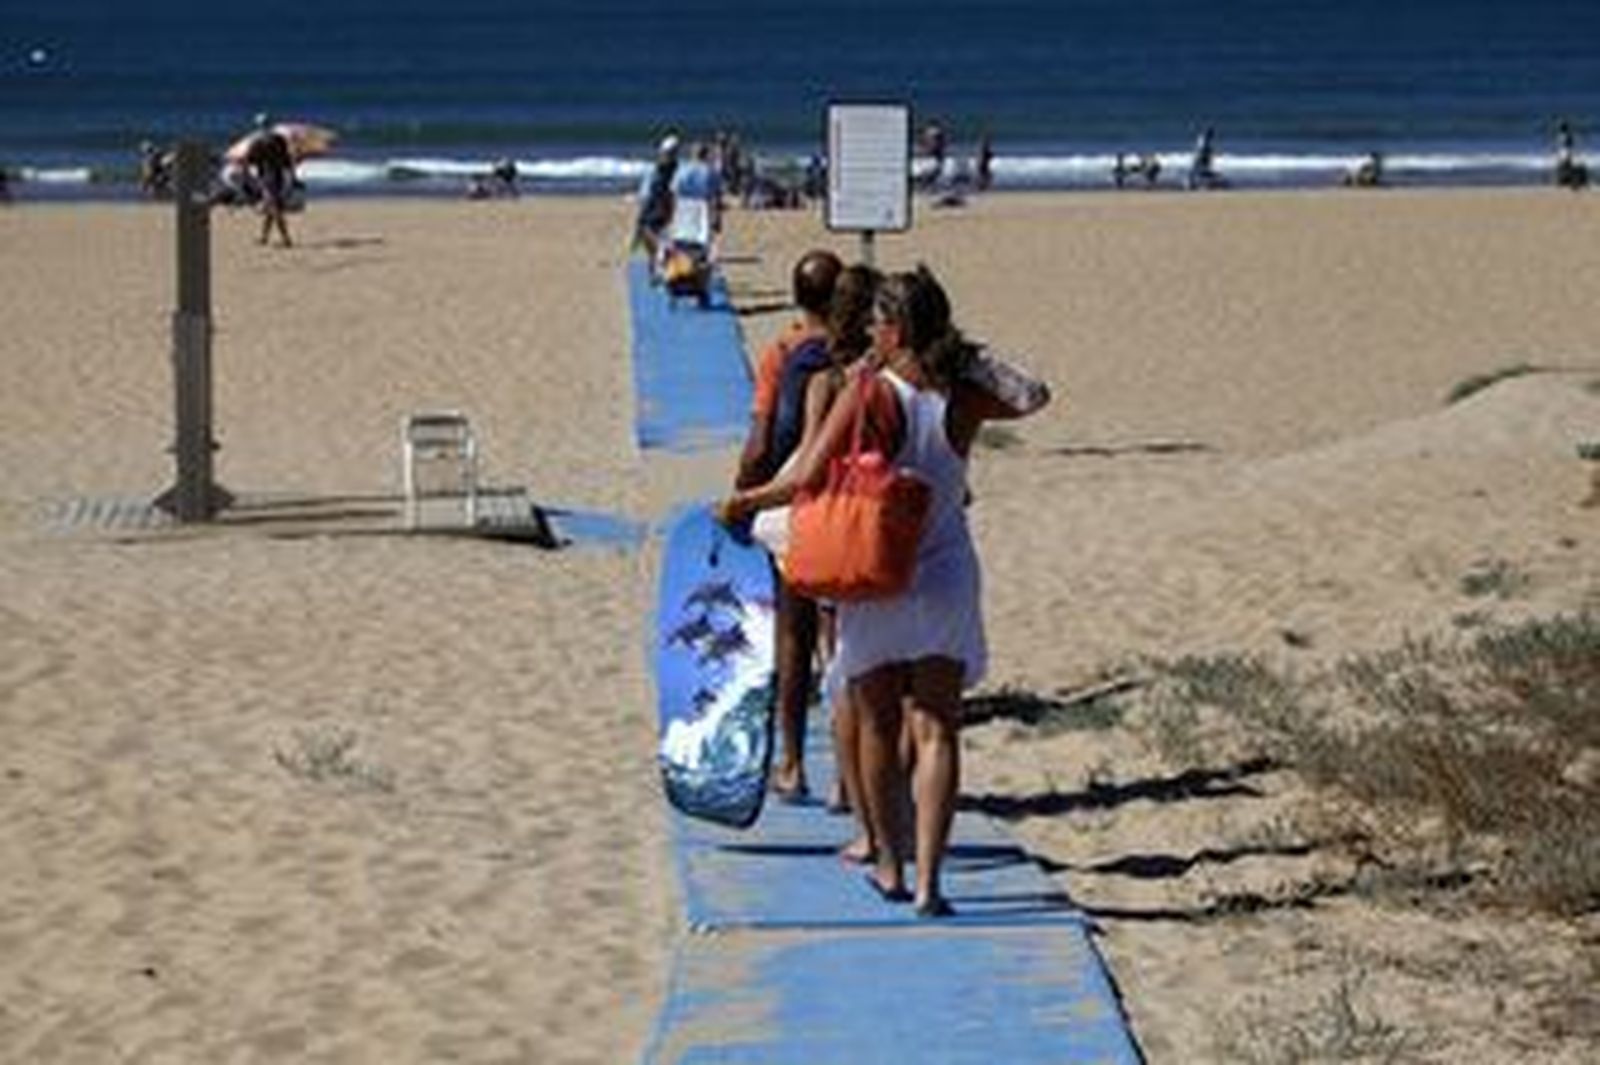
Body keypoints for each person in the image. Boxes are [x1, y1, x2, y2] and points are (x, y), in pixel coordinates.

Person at [719, 265, 1051, 917]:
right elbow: (1034, 393)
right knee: (937, 727)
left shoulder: (868, 390)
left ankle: (891, 867)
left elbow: (807, 476)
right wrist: (967, 350)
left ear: (894, 327)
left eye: (878, 319)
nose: (868, 328)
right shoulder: (964, 393)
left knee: (877, 720)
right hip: (949, 571)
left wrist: (741, 502)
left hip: (879, 573)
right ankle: (931, 883)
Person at [733, 249, 844, 802]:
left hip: (795, 507)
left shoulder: (783, 352)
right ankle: (849, 778)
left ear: (798, 296)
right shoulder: (857, 356)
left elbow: (762, 441)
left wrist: (743, 497)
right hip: (849, 507)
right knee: (841, 639)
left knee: (792, 637)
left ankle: (794, 766)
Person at [244, 114, 296, 247]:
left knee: (274, 208)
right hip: (278, 176)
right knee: (272, 208)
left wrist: (249, 178)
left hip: (267, 178)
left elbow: (250, 162)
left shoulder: (257, 142)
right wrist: (291, 175)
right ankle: (264, 237)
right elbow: (287, 160)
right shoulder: (279, 139)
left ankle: (286, 239)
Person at [634, 134, 680, 273]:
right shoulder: (675, 168)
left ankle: (656, 264)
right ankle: (658, 263)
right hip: (665, 207)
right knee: (658, 235)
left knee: (650, 235)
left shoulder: (659, 170)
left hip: (656, 206)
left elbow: (647, 193)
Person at [1187, 125, 1218, 190]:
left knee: (1198, 172)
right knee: (1201, 172)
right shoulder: (1204, 142)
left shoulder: (1202, 140)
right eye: (1211, 135)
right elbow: (1203, 153)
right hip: (1200, 162)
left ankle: (1193, 184)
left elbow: (1203, 154)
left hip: (1199, 161)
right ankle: (1194, 185)